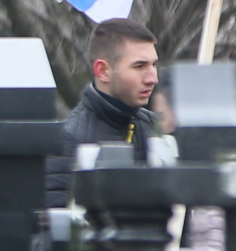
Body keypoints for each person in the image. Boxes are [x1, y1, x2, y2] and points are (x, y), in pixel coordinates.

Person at [47, 18, 158, 206]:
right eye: (139, 66)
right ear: (103, 71)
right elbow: (57, 228)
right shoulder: (67, 142)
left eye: (154, 65)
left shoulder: (159, 132)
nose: (152, 78)